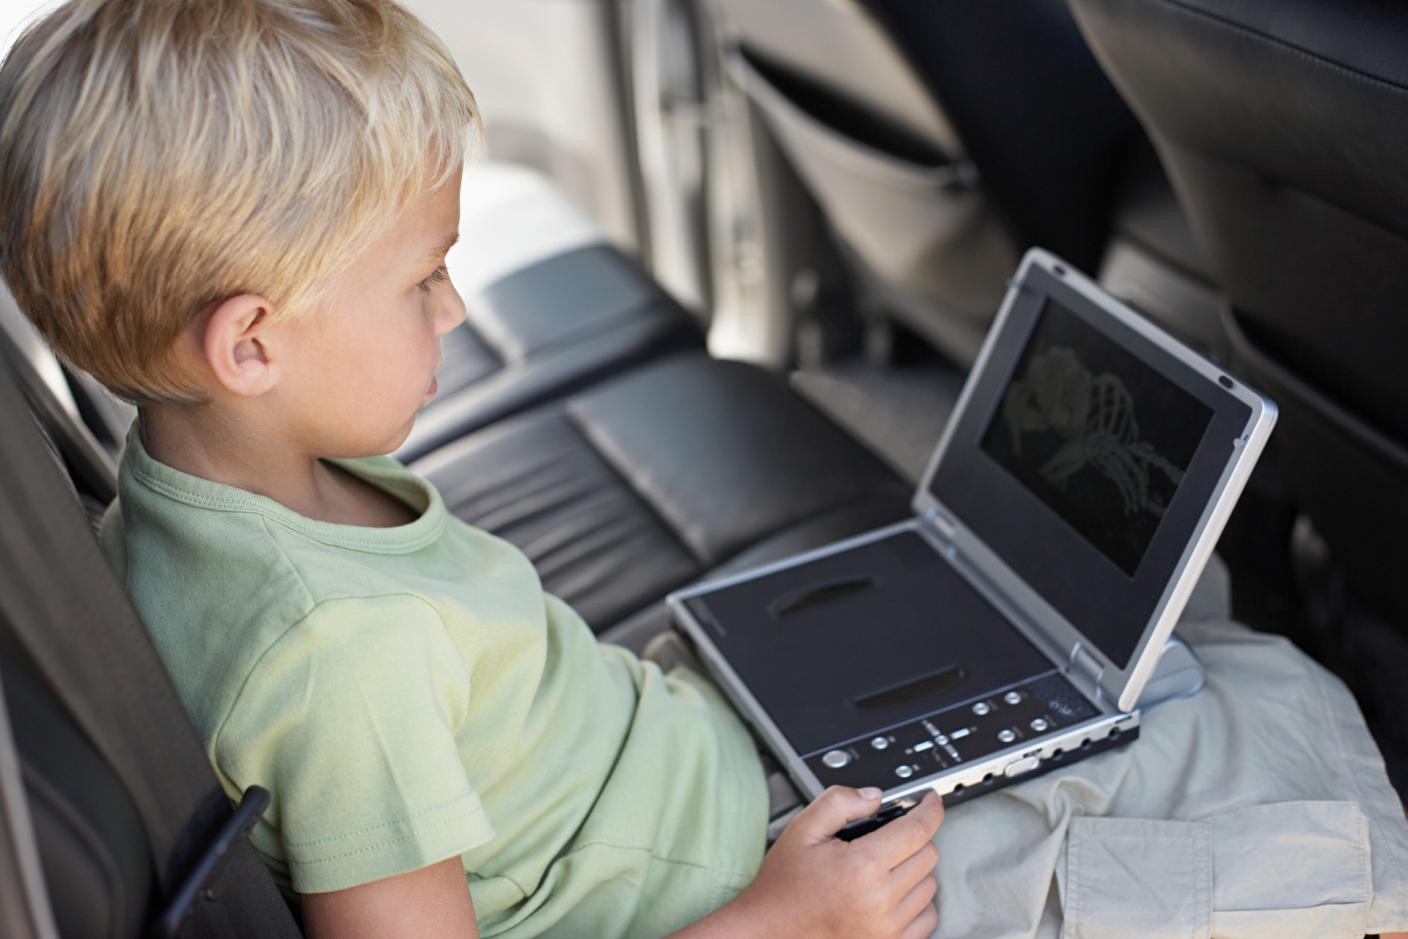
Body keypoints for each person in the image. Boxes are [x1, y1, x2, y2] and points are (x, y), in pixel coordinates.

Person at [0, 1, 943, 937]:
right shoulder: (341, 654)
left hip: (665, 773)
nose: (452, 307)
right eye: (423, 278)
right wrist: (792, 917)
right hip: (736, 871)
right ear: (250, 346)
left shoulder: (183, 494)